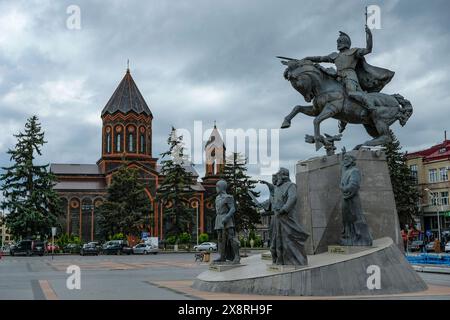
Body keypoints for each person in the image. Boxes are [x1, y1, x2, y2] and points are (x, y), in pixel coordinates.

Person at [270, 168, 309, 265]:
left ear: (283, 175)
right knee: (276, 241)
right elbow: (274, 201)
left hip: (287, 218)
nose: (277, 176)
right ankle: (279, 260)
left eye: (278, 174)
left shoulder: (291, 186)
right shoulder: (277, 188)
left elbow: (293, 198)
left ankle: (294, 261)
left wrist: (284, 209)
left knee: (288, 240)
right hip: (277, 218)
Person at [213, 180, 240, 264]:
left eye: (217, 186)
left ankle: (237, 256)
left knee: (231, 238)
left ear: (221, 187)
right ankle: (222, 256)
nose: (216, 188)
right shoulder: (217, 198)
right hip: (219, 219)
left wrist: (227, 217)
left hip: (227, 219)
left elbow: (232, 209)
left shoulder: (228, 197)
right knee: (220, 239)